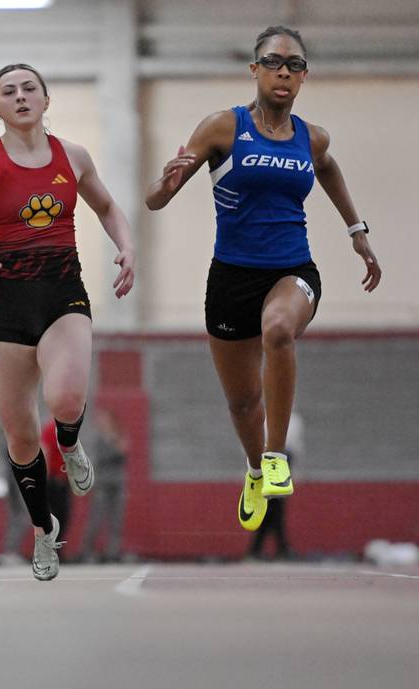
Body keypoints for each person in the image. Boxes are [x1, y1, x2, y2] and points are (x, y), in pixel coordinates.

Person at [145, 26, 381, 533]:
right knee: (242, 401)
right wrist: (163, 184)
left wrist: (356, 231)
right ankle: (255, 469)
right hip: (231, 276)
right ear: (254, 69)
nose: (284, 72)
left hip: (293, 269)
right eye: (274, 62)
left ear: (303, 77)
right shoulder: (222, 128)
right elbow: (155, 200)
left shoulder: (310, 137)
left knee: (278, 329)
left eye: (295, 65)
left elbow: (328, 167)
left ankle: (275, 457)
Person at [0, 63, 135, 580]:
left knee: (65, 398)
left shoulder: (73, 156)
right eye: (9, 91)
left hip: (62, 293)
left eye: (30, 89)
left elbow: (108, 207)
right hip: (8, 305)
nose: (21, 97)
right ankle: (43, 532)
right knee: (20, 434)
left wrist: (127, 247)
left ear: (46, 100)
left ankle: (71, 445)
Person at [248, 410, 304, 560]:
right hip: (267, 460)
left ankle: (260, 549)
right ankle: (278, 547)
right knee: (274, 510)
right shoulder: (263, 416)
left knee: (273, 510)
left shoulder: (295, 419)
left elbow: (296, 448)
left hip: (284, 461)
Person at [81, 407, 128, 563]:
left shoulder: (119, 434)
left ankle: (112, 552)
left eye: (105, 419)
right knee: (97, 517)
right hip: (102, 482)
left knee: (116, 519)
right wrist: (115, 447)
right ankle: (86, 551)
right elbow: (101, 457)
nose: (102, 422)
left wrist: (118, 446)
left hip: (118, 482)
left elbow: (124, 453)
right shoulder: (98, 438)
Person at [39, 417, 71, 546]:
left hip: (63, 480)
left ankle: (56, 548)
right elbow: (46, 453)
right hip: (54, 481)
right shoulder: (51, 430)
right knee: (57, 516)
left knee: (63, 516)